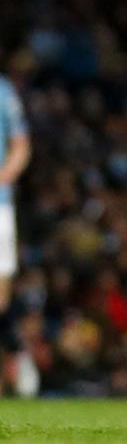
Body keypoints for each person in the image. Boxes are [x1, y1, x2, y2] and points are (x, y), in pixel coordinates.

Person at [0, 69, 31, 397]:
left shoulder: (3, 90)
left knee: (1, 296)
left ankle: (13, 363)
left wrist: (3, 176)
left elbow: (21, 145)